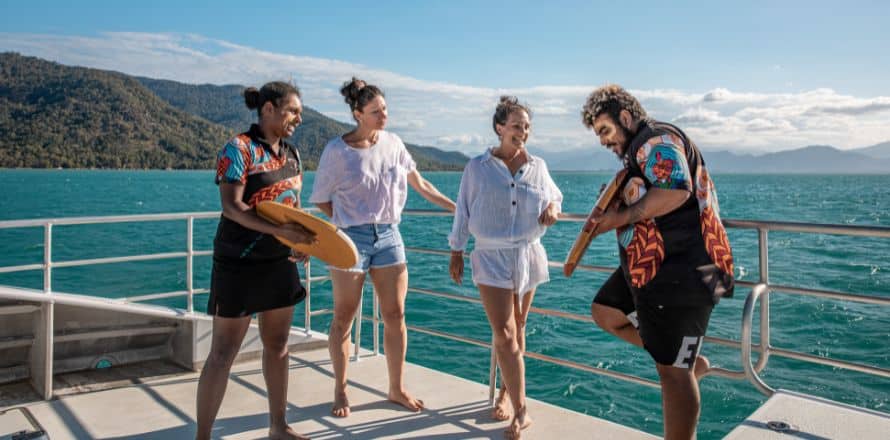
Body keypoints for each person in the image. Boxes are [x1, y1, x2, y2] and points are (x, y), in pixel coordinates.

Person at [582, 84, 735, 440]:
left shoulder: (653, 141)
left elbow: (675, 189)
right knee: (606, 312)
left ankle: (682, 366)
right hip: (654, 273)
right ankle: (687, 360)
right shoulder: (641, 149)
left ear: (625, 117)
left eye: (605, 130)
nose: (604, 141)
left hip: (682, 271)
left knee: (672, 375)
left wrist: (618, 220)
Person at [309, 77, 456, 418]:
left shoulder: (393, 144)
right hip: (351, 238)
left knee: (395, 314)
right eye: (376, 112)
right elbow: (320, 199)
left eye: (385, 109)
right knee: (344, 316)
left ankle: (396, 386)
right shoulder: (337, 151)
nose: (384, 117)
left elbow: (420, 183)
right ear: (358, 113)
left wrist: (455, 208)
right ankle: (341, 388)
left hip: (390, 236)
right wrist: (348, 223)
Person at [196, 82, 315, 440]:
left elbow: (291, 209)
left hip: (280, 262)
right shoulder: (238, 149)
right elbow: (232, 207)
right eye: (292, 110)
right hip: (239, 262)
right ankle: (203, 436)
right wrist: (284, 234)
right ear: (268, 109)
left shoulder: (292, 154)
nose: (298, 117)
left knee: (278, 346)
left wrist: (301, 241)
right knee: (223, 352)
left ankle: (278, 427)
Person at [448, 96, 562, 439]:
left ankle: (504, 395)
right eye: (516, 125)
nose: (523, 132)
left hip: (528, 255)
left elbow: (555, 196)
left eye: (526, 126)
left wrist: (553, 208)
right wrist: (456, 250)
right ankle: (522, 410)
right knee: (506, 333)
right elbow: (463, 212)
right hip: (491, 256)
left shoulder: (538, 166)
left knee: (519, 327)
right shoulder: (477, 168)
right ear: (500, 128)